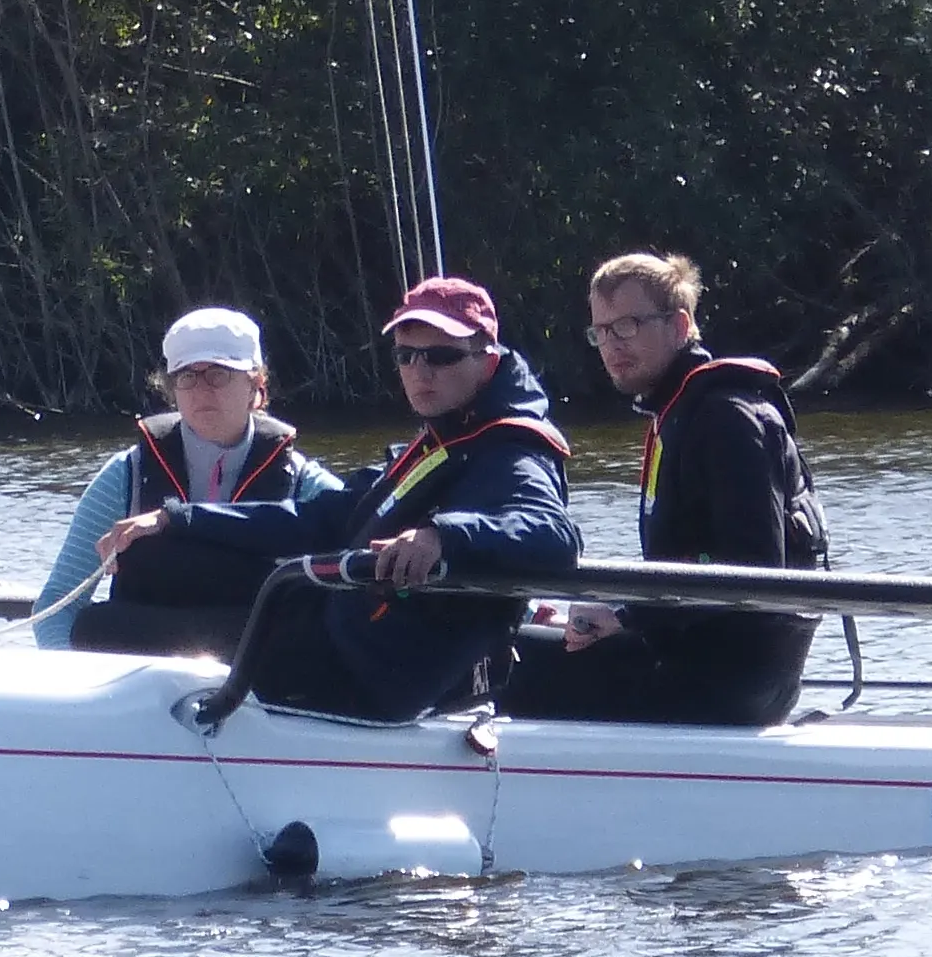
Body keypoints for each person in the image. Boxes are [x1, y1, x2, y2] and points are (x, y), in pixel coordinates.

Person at [93, 277, 578, 719]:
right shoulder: (444, 439)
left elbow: (555, 535)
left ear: (487, 361)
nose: (419, 370)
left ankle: (115, 729)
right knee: (149, 555)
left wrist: (443, 536)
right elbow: (322, 516)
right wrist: (177, 519)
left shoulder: (509, 447)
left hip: (373, 667)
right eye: (406, 356)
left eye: (441, 356)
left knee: (105, 629)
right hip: (336, 624)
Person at [505, 251, 828, 726]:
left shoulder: (727, 419)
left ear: (678, 327)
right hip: (703, 661)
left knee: (494, 662)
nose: (612, 344)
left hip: (730, 681)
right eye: (602, 330)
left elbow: (754, 571)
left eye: (629, 325)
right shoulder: (682, 411)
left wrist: (625, 617)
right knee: (519, 637)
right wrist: (615, 613)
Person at [42, 307, 338, 654]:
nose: (201, 390)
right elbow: (55, 607)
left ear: (256, 385)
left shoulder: (303, 483)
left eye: (218, 374)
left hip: (253, 693)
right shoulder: (125, 476)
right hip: (133, 690)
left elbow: (364, 547)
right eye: (187, 376)